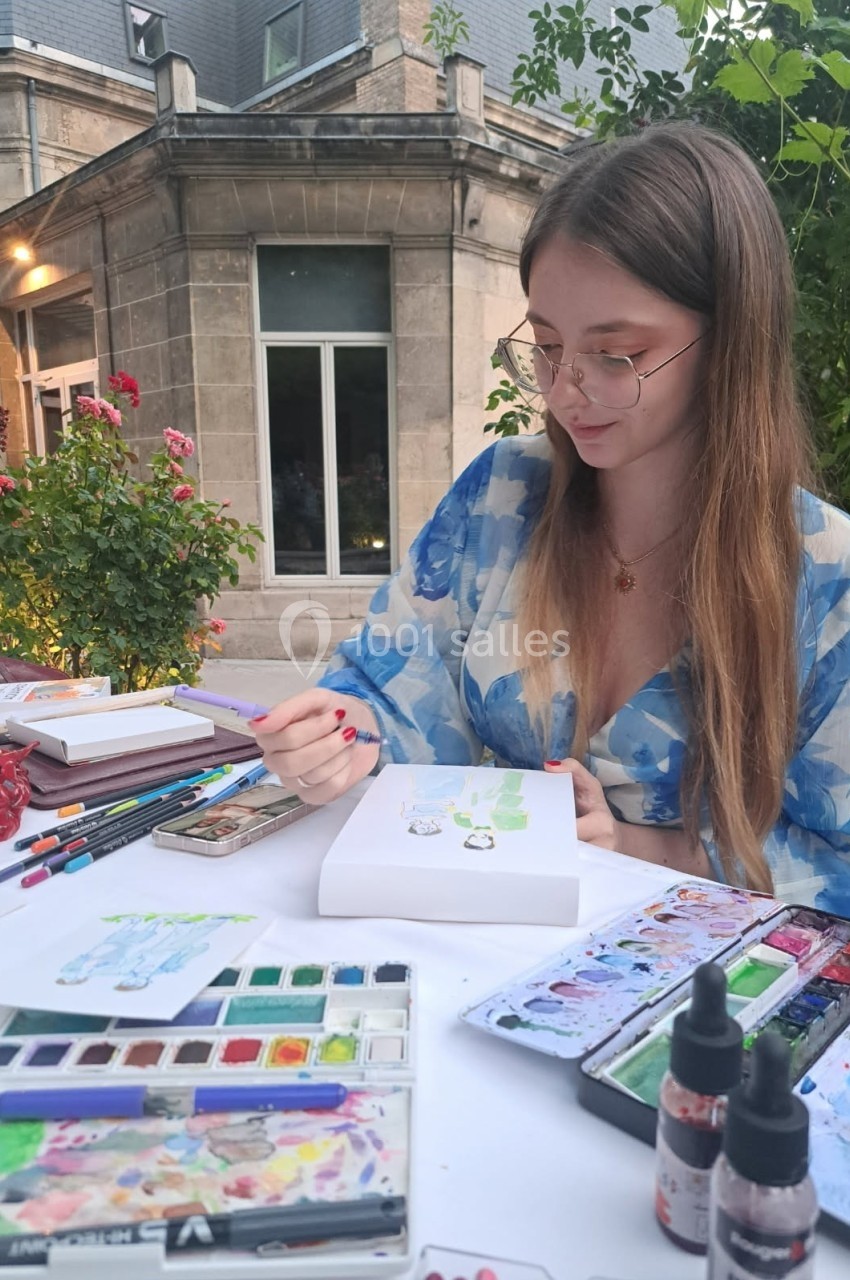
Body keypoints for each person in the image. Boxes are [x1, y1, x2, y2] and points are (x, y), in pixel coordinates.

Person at [254, 123, 850, 914]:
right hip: (457, 963)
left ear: (729, 343)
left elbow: (833, 865)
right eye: (544, 345)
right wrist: (342, 732)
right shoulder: (502, 495)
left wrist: (651, 849)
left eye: (616, 355)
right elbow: (394, 685)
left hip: (677, 1007)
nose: (565, 392)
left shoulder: (827, 580)